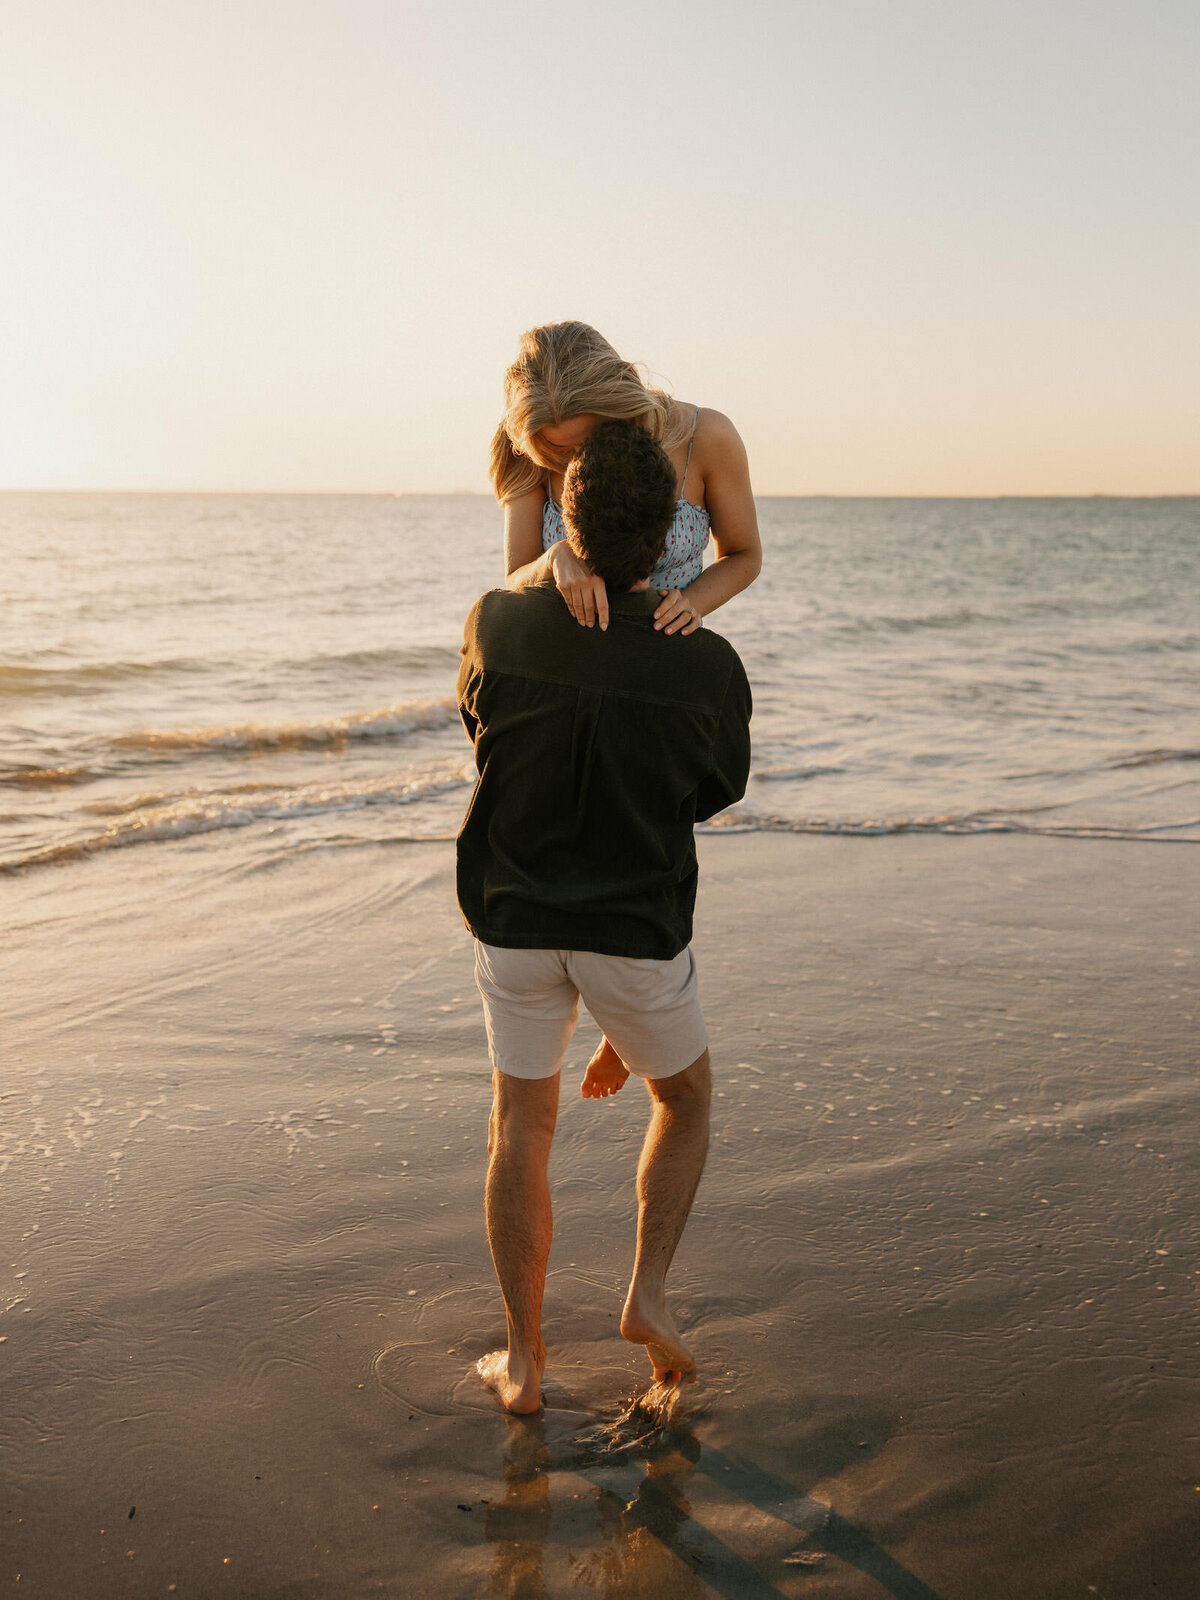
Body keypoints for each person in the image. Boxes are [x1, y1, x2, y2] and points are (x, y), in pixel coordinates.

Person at [457, 420, 753, 1414]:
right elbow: (713, 789)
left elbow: (482, 730)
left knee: (519, 1123)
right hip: (635, 926)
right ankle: (647, 1295)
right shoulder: (708, 665)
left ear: (565, 523)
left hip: (513, 913)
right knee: (687, 1099)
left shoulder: (496, 623)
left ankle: (523, 1362)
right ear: (672, 533)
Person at [491, 321, 762, 637]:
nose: (578, 457)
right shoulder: (528, 450)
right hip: (561, 654)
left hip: (664, 652)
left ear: (619, 403)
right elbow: (515, 578)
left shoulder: (705, 436)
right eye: (561, 449)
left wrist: (690, 603)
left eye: (590, 438)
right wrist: (553, 559)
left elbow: (744, 554)